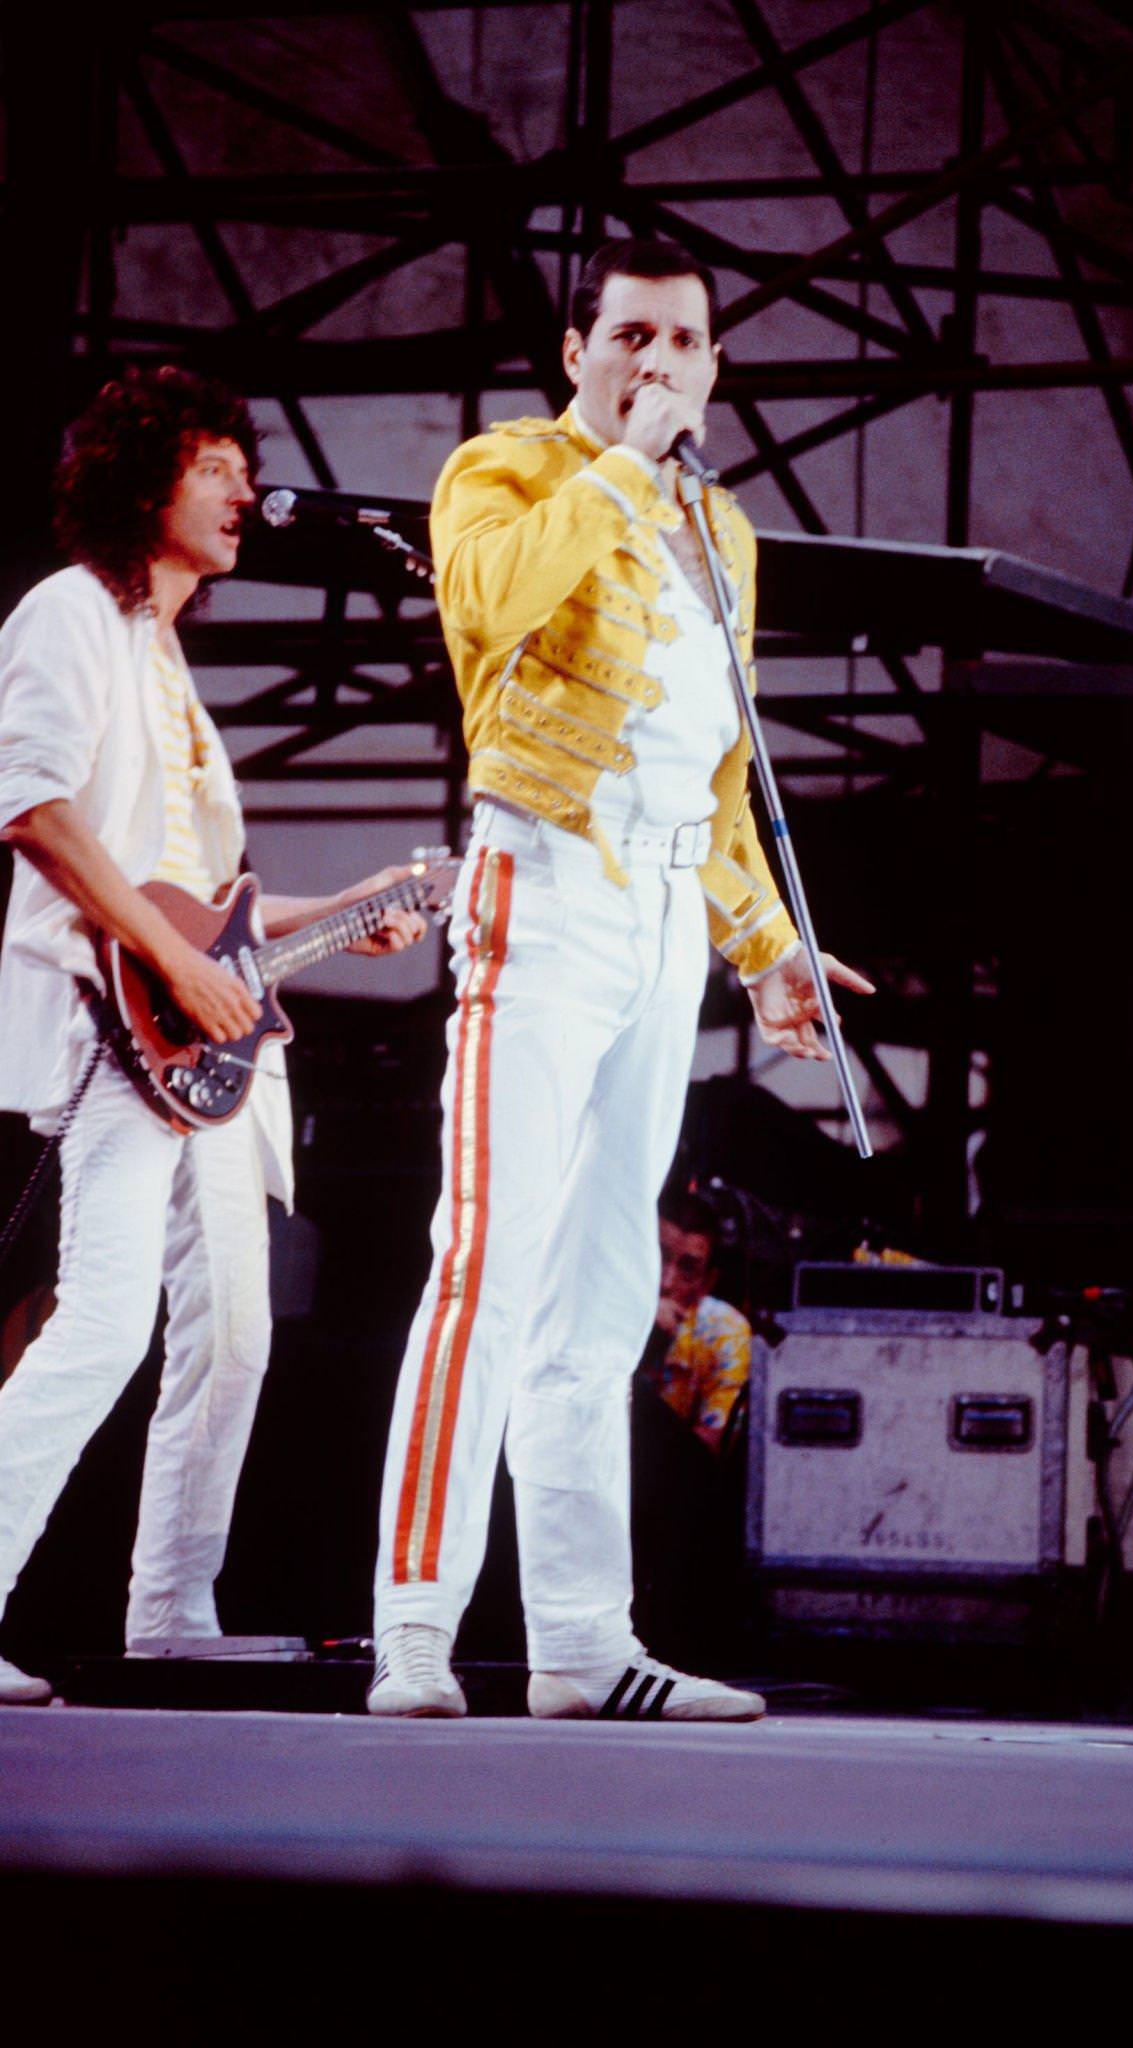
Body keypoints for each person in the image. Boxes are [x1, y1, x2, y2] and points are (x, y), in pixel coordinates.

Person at [369, 237, 873, 1724]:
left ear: (717, 369)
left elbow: (714, 782)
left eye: (686, 343)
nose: (659, 364)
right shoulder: (508, 472)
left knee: (602, 1302)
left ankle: (583, 1643)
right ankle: (413, 1629)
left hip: (659, 916)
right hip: (541, 881)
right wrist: (615, 469)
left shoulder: (726, 531)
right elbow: (489, 608)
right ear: (580, 351)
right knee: (485, 1260)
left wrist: (767, 947)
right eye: (632, 336)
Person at [0, 364, 426, 1706]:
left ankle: (172, 1607)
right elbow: (37, 813)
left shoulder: (167, 663)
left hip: (203, 1034)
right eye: (211, 465)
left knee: (235, 1328)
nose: (244, 487)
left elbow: (209, 908)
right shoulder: (67, 615)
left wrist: (351, 911)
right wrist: (182, 958)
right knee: (106, 1321)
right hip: (117, 1015)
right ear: (140, 479)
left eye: (242, 466)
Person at [639, 1187, 750, 1457]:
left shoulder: (724, 1333)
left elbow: (708, 1451)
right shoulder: (597, 1308)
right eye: (658, 1257)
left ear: (706, 1283)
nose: (666, 1283)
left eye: (687, 1269)